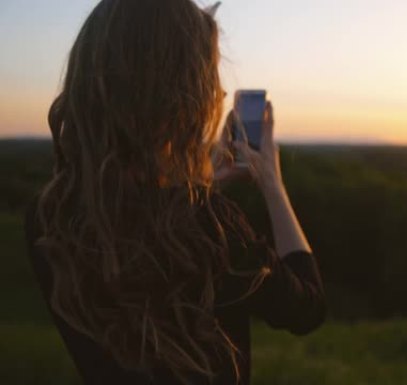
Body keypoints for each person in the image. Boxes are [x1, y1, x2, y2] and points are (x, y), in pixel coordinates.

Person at [22, 1, 326, 384]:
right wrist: (272, 184)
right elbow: (307, 308)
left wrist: (199, 187)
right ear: (183, 94)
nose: (218, 91)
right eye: (209, 74)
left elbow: (139, 225)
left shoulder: (49, 217)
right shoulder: (213, 229)